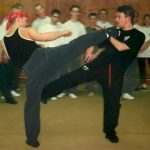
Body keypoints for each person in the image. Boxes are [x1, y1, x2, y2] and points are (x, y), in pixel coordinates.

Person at [2, 9, 119, 147]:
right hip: (44, 58)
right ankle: (106, 32)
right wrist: (62, 32)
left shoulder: (5, 39)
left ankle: (31, 138)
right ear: (19, 19)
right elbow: (44, 38)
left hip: (32, 71)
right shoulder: (24, 30)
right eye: (25, 19)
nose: (27, 21)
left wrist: (32, 51)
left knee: (31, 105)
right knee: (73, 47)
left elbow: (14, 59)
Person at [41, 5, 145, 143]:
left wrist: (107, 34)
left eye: (118, 17)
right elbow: (96, 40)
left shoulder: (138, 35)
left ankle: (110, 131)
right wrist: (91, 50)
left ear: (128, 17)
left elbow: (121, 47)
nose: (116, 19)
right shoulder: (114, 31)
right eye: (115, 17)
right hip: (96, 66)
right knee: (71, 77)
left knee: (112, 103)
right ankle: (43, 93)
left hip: (113, 74)